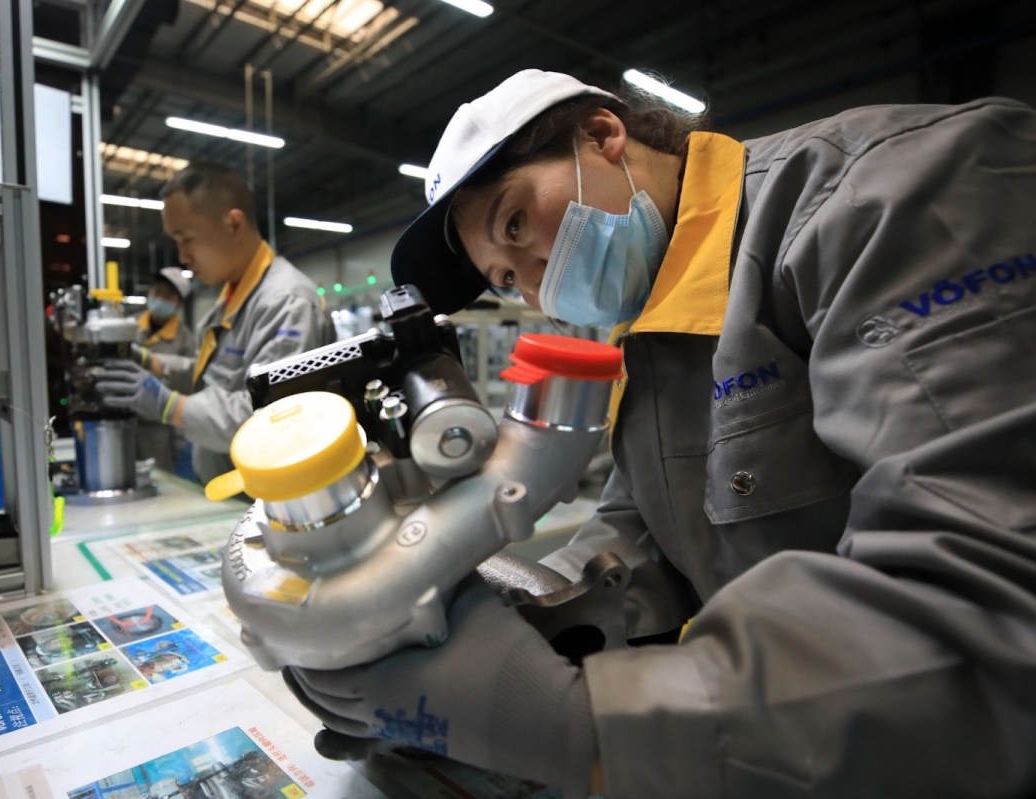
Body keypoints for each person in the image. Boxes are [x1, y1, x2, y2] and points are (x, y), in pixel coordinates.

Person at [285, 69, 1036, 797]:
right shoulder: (648, 328)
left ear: (602, 133)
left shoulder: (889, 194)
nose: (538, 286)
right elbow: (646, 530)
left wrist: (574, 724)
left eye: (515, 223)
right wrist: (516, 621)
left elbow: (990, 617)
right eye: (507, 280)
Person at [96, 162, 327, 485]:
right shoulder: (232, 298)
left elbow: (272, 415)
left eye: (186, 239)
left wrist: (171, 407)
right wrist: (154, 363)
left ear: (233, 224)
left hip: (271, 503)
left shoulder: (286, 302)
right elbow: (218, 377)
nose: (182, 257)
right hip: (232, 491)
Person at [134, 266, 196, 472]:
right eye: (157, 291)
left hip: (159, 426)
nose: (160, 298)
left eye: (168, 295)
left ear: (178, 303)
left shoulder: (186, 340)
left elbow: (189, 382)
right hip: (124, 420)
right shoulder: (128, 326)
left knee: (158, 478)